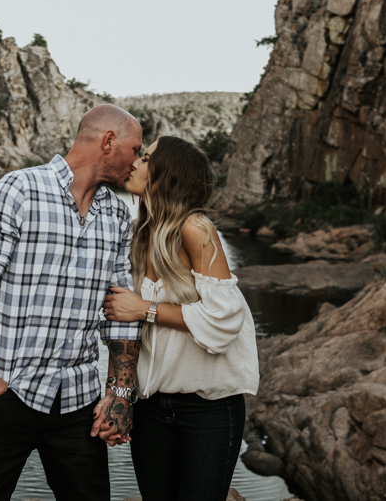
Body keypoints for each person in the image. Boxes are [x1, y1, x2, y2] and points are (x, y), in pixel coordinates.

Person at [0, 104, 144, 501]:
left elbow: (120, 312)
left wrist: (119, 396)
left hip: (78, 403)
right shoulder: (18, 190)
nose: (136, 163)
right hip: (5, 392)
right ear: (108, 141)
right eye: (135, 150)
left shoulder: (119, 215)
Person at [102, 136, 260, 501]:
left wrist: (145, 309)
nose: (136, 162)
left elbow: (223, 320)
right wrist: (120, 396)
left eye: (146, 158)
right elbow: (124, 330)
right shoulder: (139, 234)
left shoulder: (196, 229)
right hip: (152, 408)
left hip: (209, 412)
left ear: (166, 174)